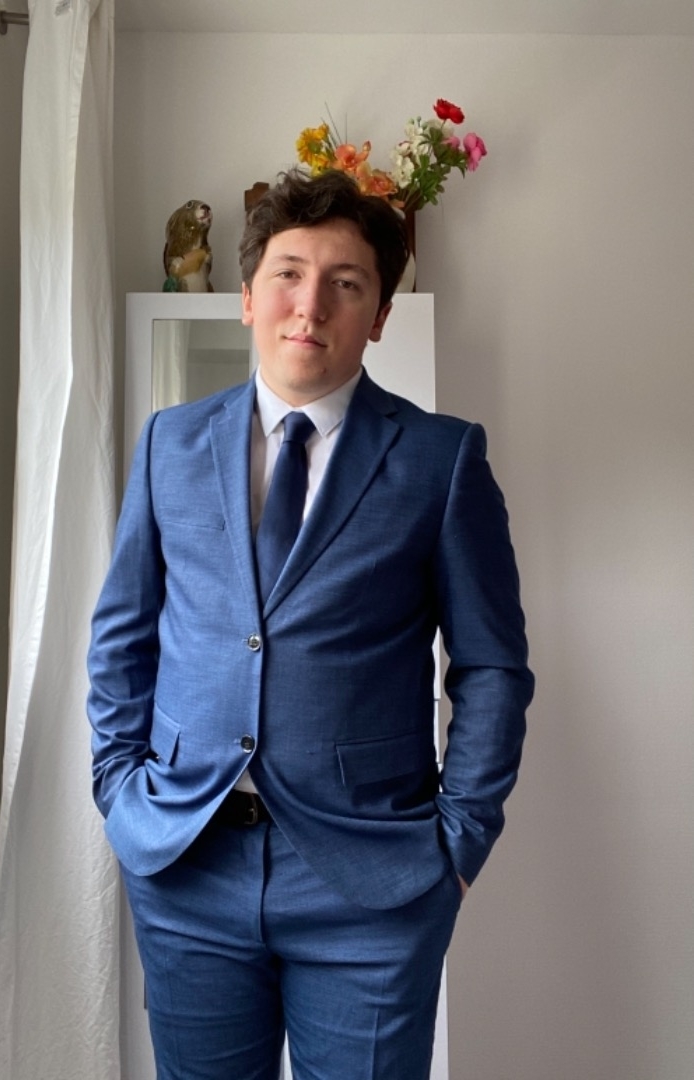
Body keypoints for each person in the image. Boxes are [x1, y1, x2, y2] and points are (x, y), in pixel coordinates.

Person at [87, 168, 534, 1080]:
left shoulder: (443, 459)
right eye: (288, 274)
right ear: (247, 297)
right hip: (187, 861)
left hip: (373, 881)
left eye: (346, 283)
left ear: (379, 315)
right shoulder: (170, 442)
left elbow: (491, 667)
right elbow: (122, 635)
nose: (311, 305)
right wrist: (121, 790)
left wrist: (458, 843)